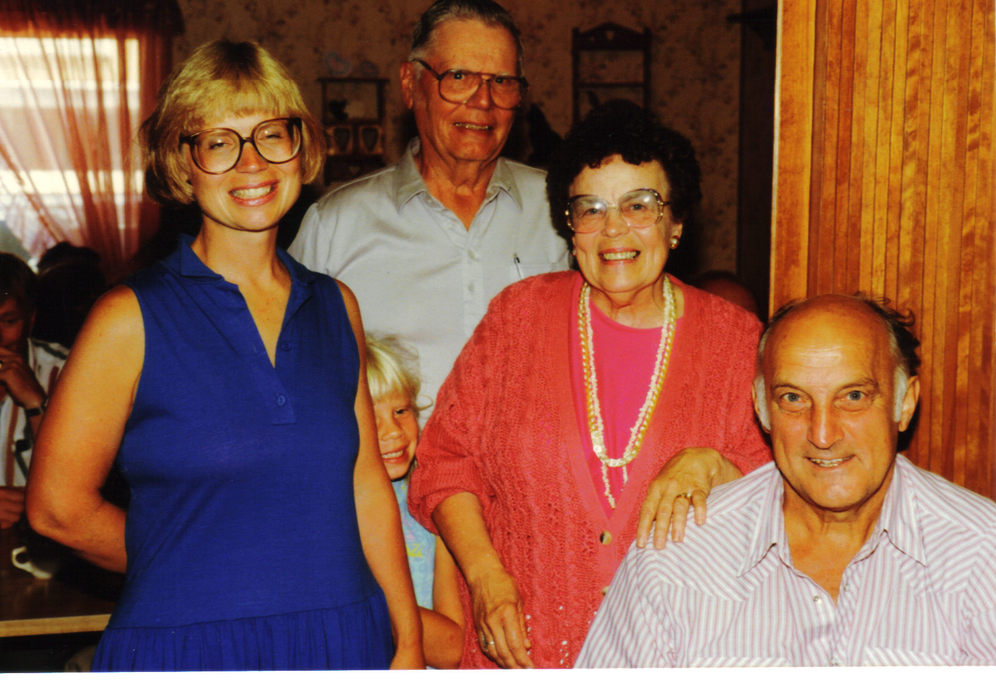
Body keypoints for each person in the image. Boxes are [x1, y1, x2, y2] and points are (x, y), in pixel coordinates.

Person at [25, 40, 422, 671]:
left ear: (301, 147)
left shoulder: (336, 306)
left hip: (345, 638)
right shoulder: (128, 318)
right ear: (184, 165)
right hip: (189, 641)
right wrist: (195, 555)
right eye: (219, 141)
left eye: (271, 134)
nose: (251, 163)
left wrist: (407, 638)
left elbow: (365, 482)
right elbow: (55, 510)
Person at [407, 99, 771, 668]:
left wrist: (715, 466)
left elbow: (785, 494)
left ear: (675, 224)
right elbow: (446, 459)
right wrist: (484, 577)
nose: (614, 229)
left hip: (678, 653)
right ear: (569, 227)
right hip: (519, 653)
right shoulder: (517, 317)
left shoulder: (735, 341)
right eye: (590, 208)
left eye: (639, 205)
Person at [578, 294, 996, 666]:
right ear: (761, 408)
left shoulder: (981, 554)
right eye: (793, 399)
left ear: (904, 404)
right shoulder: (674, 558)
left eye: (853, 397)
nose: (823, 434)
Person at [289, 0, 569, 420]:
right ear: (409, 84)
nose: (483, 101)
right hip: (390, 484)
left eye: (502, 81)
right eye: (458, 77)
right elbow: (286, 378)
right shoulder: (335, 226)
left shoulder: (563, 211)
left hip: (535, 480)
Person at [366, 334, 465, 667]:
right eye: (370, 418)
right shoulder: (328, 514)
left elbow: (452, 648)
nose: (393, 431)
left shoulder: (430, 503)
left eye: (400, 410)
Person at [0, 253, 67, 530]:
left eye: (8, 321)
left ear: (31, 319)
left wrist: (36, 402)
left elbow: (76, 480)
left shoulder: (67, 371)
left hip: (42, 550)